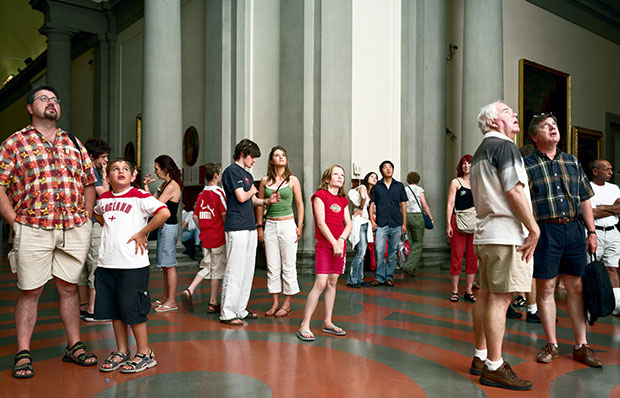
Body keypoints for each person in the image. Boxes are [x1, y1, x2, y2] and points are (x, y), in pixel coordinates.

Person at [0, 84, 98, 379]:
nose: (51, 103)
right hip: (33, 226)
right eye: (44, 99)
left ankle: (74, 345)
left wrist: (86, 218)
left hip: (72, 226)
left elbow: (89, 182)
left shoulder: (73, 142)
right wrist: (14, 222)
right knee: (30, 291)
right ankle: (23, 352)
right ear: (31, 108)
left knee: (69, 288)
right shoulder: (14, 143)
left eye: (55, 99)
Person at [469, 100, 539, 390]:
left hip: (485, 233)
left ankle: (480, 356)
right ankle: (495, 367)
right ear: (495, 121)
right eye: (507, 112)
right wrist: (533, 228)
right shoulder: (505, 147)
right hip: (506, 234)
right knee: (501, 299)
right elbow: (513, 191)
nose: (514, 115)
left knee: (485, 296)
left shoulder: (479, 152)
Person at [524, 112, 602, 367]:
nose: (553, 128)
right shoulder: (527, 165)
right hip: (545, 231)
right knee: (546, 289)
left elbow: (584, 199)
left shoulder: (572, 161)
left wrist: (591, 232)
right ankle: (552, 344)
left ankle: (582, 345)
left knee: (576, 288)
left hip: (574, 230)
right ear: (535, 136)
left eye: (554, 125)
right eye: (546, 126)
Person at [94, 159, 169, 373]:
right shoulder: (104, 199)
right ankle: (121, 350)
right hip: (107, 262)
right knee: (115, 310)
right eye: (115, 169)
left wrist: (142, 233)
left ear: (133, 175)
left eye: (125, 169)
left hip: (132, 264)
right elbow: (98, 214)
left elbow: (163, 212)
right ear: (107, 176)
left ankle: (145, 352)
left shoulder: (139, 196)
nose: (120, 172)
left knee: (133, 309)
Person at [219, 139, 280, 325]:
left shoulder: (245, 174)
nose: (254, 160)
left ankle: (240, 308)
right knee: (235, 270)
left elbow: (251, 200)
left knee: (247, 270)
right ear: (243, 153)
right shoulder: (231, 171)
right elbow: (241, 196)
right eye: (252, 156)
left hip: (249, 225)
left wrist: (267, 201)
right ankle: (227, 312)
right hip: (236, 226)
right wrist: (252, 189)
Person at [297, 165, 352, 341]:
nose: (340, 176)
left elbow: (348, 224)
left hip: (339, 245)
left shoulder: (343, 200)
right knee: (320, 283)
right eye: (336, 174)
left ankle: (328, 322)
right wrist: (334, 242)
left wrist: (341, 240)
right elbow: (321, 223)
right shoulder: (319, 196)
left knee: (333, 281)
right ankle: (304, 325)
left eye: (342, 174)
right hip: (325, 244)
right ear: (327, 178)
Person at [256, 146, 304, 317]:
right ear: (271, 160)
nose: (281, 157)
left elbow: (299, 204)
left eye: (283, 155)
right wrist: (259, 227)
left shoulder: (293, 180)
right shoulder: (264, 181)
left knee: (289, 265)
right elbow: (260, 205)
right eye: (277, 155)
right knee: (272, 266)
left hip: (287, 224)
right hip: (270, 225)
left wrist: (300, 225)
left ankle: (287, 303)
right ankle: (275, 302)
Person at [181, 163, 227, 314]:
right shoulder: (219, 193)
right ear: (215, 175)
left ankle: (194, 292)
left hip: (206, 237)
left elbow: (195, 216)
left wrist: (203, 229)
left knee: (207, 267)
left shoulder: (201, 195)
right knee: (217, 269)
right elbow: (224, 214)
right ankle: (209, 300)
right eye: (219, 173)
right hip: (218, 237)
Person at [143, 155, 182, 312]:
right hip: (164, 226)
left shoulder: (172, 186)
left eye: (157, 169)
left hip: (169, 227)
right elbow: (153, 200)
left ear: (165, 169)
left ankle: (172, 301)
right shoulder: (166, 184)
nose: (155, 172)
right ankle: (166, 297)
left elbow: (155, 205)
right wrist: (146, 187)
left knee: (169, 264)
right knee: (165, 265)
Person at [79, 138, 111, 322]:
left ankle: (83, 307)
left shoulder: (80, 168)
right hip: (92, 223)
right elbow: (105, 195)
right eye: (104, 157)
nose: (105, 161)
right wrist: (104, 172)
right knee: (95, 265)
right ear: (92, 156)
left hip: (81, 223)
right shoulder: (92, 171)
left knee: (83, 268)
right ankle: (94, 310)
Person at [369, 160, 407, 287]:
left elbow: (403, 205)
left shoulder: (399, 186)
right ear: (381, 171)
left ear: (393, 170)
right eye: (385, 167)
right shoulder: (377, 187)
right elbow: (372, 204)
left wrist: (404, 223)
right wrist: (371, 220)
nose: (388, 169)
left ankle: (389, 277)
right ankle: (379, 277)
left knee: (392, 252)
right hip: (381, 224)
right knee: (379, 250)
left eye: (390, 167)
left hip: (396, 223)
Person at [589, 159, 620, 315]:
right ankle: (591, 303)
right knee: (590, 269)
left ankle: (617, 305)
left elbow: (619, 208)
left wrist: (601, 208)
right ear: (596, 171)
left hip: (613, 232)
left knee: (612, 268)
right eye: (607, 169)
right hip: (595, 232)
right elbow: (591, 213)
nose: (611, 172)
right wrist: (613, 208)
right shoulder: (588, 187)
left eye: (611, 169)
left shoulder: (614, 188)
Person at [446, 155, 478, 302]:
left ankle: (469, 290)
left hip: (475, 222)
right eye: (464, 164)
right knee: (457, 256)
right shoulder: (456, 182)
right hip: (458, 221)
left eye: (469, 164)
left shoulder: (478, 183)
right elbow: (450, 204)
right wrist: (448, 223)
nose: (466, 166)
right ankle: (454, 290)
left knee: (472, 258)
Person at [346, 172, 377, 288]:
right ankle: (352, 280)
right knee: (361, 253)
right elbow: (363, 198)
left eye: (376, 177)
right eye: (372, 176)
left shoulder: (370, 192)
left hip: (364, 223)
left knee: (362, 253)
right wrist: (360, 208)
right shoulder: (363, 187)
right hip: (358, 222)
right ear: (367, 178)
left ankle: (359, 278)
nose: (374, 178)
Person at [402, 172, 434, 277]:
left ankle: (413, 270)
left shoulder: (404, 190)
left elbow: (401, 204)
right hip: (417, 216)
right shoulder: (419, 190)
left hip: (407, 216)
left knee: (411, 243)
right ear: (418, 180)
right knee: (418, 243)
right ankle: (408, 266)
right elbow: (424, 204)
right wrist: (430, 216)